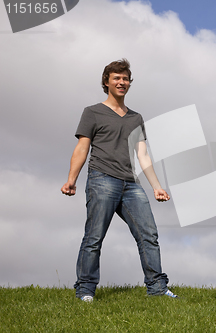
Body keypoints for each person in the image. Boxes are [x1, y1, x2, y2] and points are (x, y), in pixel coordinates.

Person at [61, 59, 178, 302]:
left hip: (130, 184)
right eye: (116, 78)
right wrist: (71, 179)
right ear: (107, 82)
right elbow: (82, 148)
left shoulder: (136, 117)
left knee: (149, 234)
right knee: (94, 237)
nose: (121, 82)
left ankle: (156, 287)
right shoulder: (92, 112)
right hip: (101, 178)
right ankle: (85, 290)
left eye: (125, 78)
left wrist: (157, 187)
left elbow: (142, 155)